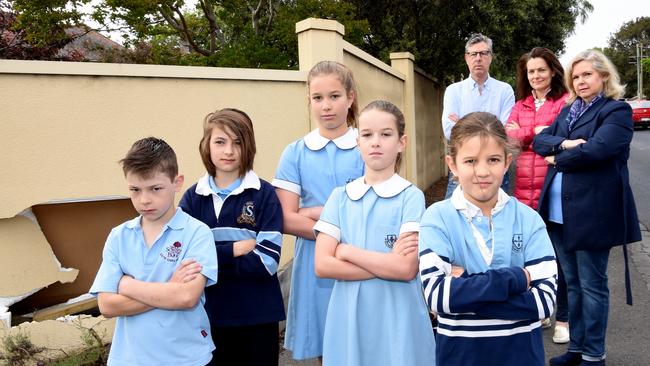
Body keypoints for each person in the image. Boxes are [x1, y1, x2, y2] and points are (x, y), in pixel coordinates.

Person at [419, 112, 557, 366]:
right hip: (460, 357)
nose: (482, 171)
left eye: (493, 159)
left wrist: (464, 290)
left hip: (522, 357)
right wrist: (516, 278)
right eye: (470, 160)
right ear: (452, 165)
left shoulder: (529, 219)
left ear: (507, 162)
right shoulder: (436, 218)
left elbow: (543, 303)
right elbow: (437, 296)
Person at [533, 49, 641, 366]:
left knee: (592, 286)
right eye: (575, 76)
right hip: (557, 215)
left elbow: (598, 150)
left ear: (603, 76)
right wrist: (565, 144)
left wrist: (556, 157)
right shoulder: (569, 110)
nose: (580, 81)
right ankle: (577, 349)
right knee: (573, 284)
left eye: (586, 75)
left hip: (592, 214)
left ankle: (594, 355)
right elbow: (540, 142)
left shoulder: (617, 111)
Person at [313, 100, 436, 366]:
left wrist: (347, 252)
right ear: (358, 142)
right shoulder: (339, 197)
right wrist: (384, 264)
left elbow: (405, 269)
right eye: (367, 135)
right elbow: (322, 265)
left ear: (402, 142)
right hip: (349, 318)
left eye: (386, 134)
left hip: (398, 316)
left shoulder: (410, 197)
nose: (376, 142)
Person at [90, 137, 218, 366]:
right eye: (135, 190)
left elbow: (187, 297)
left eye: (155, 189)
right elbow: (107, 306)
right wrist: (170, 289)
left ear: (177, 182)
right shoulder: (119, 236)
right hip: (128, 359)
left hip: (186, 359)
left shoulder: (197, 233)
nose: (144, 200)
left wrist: (127, 285)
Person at [273, 60, 364, 360]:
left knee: (362, 344)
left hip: (360, 259)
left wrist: (316, 213)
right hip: (315, 267)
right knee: (325, 349)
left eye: (335, 96)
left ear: (350, 97)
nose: (326, 106)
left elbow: (374, 211)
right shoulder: (295, 152)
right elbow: (286, 217)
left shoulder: (368, 146)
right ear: (309, 101)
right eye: (318, 98)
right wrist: (340, 222)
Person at [179, 108, 285, 366]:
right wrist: (234, 249)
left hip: (258, 317)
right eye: (220, 141)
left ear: (248, 147)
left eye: (237, 143)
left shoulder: (264, 194)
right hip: (209, 316)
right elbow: (184, 260)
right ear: (206, 145)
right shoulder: (193, 198)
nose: (228, 151)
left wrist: (211, 258)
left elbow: (266, 261)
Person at [505, 47, 569, 344]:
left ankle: (564, 318)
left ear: (553, 71)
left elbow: (560, 139)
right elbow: (510, 138)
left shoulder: (565, 101)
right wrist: (540, 133)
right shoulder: (520, 105)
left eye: (541, 70)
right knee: (532, 254)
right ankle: (542, 307)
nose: (536, 76)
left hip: (553, 189)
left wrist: (531, 135)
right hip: (523, 191)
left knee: (560, 257)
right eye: (531, 71)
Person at [441, 33, 515, 198]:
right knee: (454, 215)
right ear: (467, 58)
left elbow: (506, 132)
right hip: (462, 165)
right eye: (474, 54)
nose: (478, 58)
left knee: (497, 215)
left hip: (495, 165)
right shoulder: (453, 91)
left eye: (484, 53)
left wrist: (462, 123)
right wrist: (490, 128)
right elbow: (448, 130)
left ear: (491, 57)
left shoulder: (505, 90)